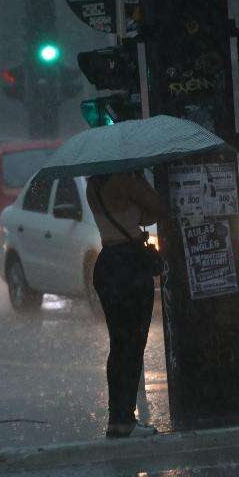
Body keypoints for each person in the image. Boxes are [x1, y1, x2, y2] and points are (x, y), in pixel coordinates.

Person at [87, 171, 166, 438]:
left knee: (119, 345)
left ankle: (117, 418)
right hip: (129, 263)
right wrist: (142, 178)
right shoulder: (124, 179)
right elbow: (158, 209)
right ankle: (125, 420)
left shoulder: (94, 185)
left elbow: (140, 215)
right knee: (133, 345)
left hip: (108, 262)